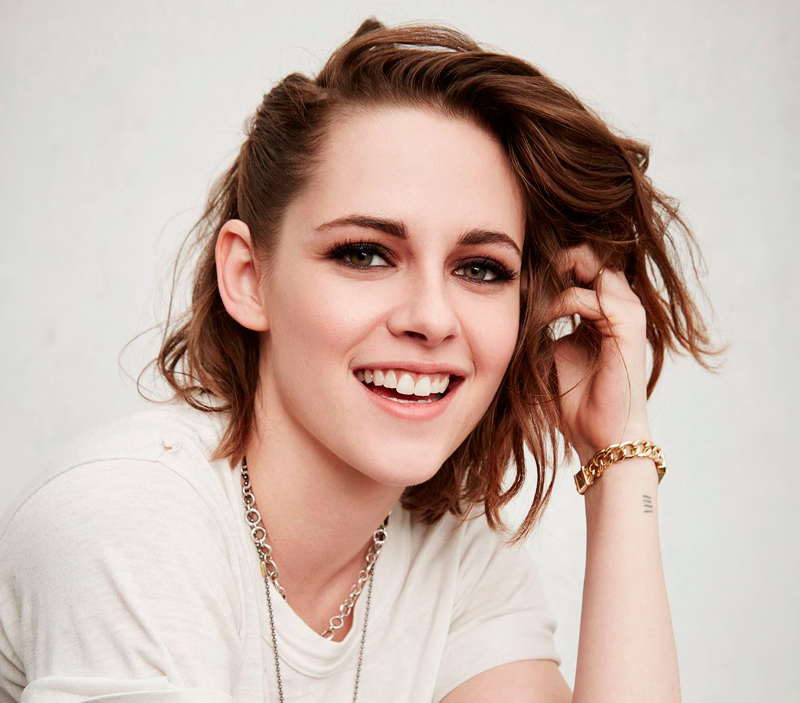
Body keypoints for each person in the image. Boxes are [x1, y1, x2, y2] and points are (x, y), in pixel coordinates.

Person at [0, 16, 723, 703]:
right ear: (248, 278)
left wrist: (618, 454)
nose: (431, 319)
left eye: (480, 268)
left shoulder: (457, 564)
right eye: (365, 254)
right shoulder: (131, 515)